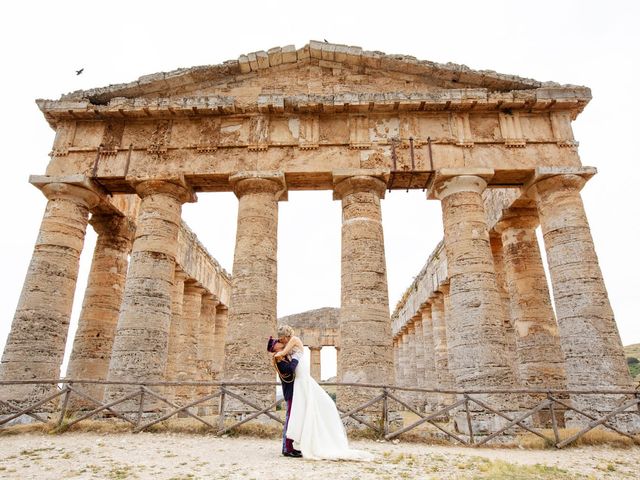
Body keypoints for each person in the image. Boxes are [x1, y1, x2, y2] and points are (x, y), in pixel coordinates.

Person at [272, 325, 374, 461]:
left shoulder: (293, 341)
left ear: (285, 336)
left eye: (281, 339)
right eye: (279, 341)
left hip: (303, 383)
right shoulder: (287, 352)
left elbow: (283, 353)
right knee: (298, 415)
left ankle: (301, 444)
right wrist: (276, 354)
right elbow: (286, 361)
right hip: (298, 385)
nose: (281, 342)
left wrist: (278, 354)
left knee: (316, 408)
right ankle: (290, 447)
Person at [267, 337, 302, 458]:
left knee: (293, 419)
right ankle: (287, 448)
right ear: (274, 347)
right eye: (277, 342)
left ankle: (290, 446)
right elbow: (289, 370)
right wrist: (296, 358)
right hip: (290, 391)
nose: (279, 342)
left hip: (294, 390)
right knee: (289, 419)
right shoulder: (278, 358)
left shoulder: (283, 356)